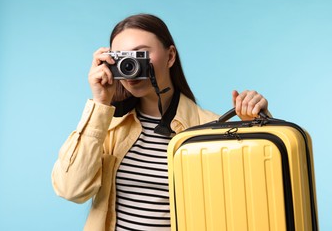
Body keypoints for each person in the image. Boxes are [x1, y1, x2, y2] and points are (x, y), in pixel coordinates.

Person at [52, 13, 270, 231]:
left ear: (170, 56)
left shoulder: (211, 129)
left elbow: (256, 202)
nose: (131, 65)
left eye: (140, 54)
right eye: (122, 58)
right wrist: (100, 102)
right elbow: (71, 190)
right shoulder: (105, 125)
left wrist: (256, 129)